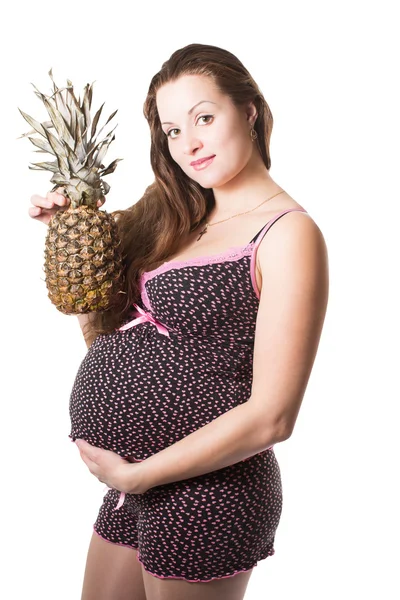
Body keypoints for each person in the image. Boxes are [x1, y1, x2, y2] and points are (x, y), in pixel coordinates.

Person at [29, 43, 329, 600]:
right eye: (171, 131)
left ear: (250, 111)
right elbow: (109, 338)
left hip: (209, 492)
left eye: (204, 118)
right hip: (135, 481)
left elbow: (274, 417)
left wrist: (139, 475)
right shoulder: (173, 213)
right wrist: (74, 243)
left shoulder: (288, 234)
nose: (187, 144)